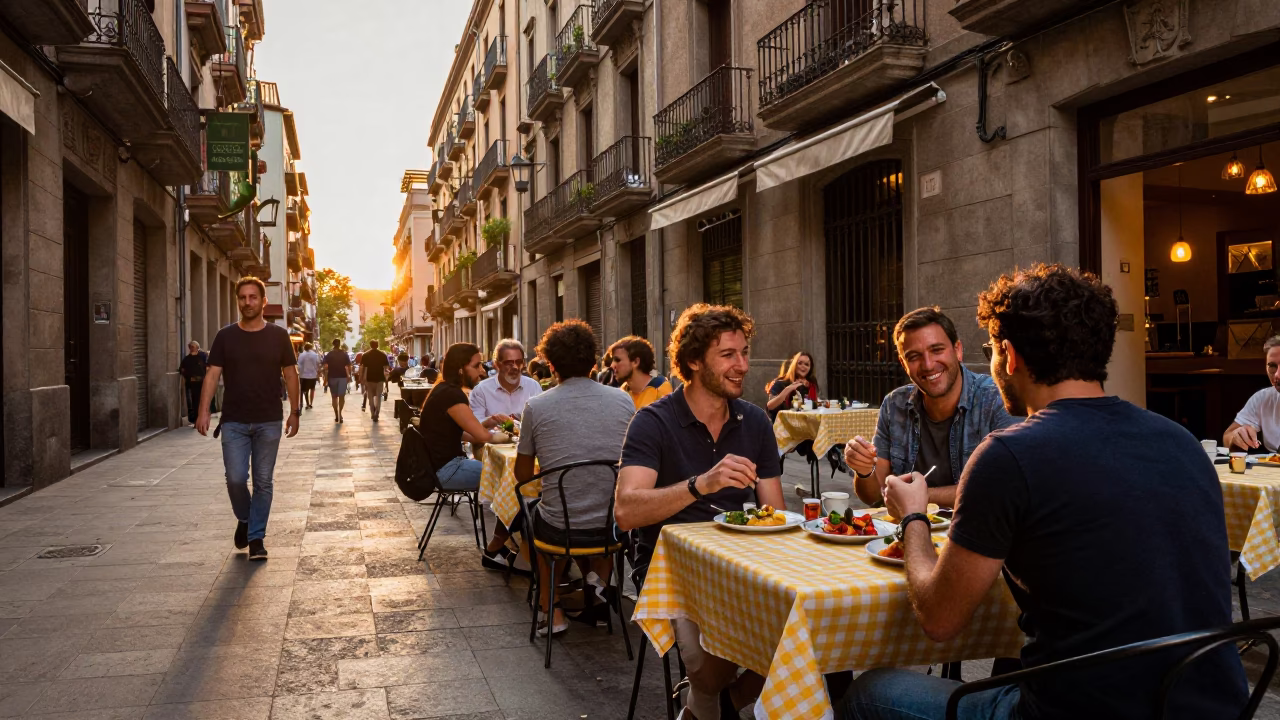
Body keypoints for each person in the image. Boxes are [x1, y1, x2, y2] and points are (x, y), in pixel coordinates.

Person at [839, 264, 1248, 720]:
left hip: (1076, 713)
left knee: (868, 692)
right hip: (1212, 709)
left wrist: (915, 516)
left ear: (1009, 356)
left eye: (990, 350)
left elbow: (939, 618)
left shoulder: (1009, 457)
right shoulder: (1183, 443)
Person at [616, 304, 784, 720]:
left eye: (744, 353)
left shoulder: (756, 422)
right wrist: (700, 484)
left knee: (811, 630)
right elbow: (625, 511)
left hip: (743, 562)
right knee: (713, 658)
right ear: (693, 361)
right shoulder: (653, 422)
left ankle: (716, 704)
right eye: (728, 355)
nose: (742, 365)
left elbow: (776, 513)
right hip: (670, 569)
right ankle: (709, 701)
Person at [515, 320, 635, 636]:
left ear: (551, 365)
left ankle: (551, 611)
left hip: (560, 528)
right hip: (613, 526)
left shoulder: (536, 405)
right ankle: (596, 587)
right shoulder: (623, 400)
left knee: (533, 515)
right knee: (599, 508)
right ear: (594, 362)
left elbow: (522, 476)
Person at [845, 307, 1016, 510]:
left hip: (975, 534)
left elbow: (1004, 487)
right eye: (914, 356)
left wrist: (922, 496)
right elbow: (873, 496)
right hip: (904, 533)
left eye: (937, 350)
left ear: (958, 350)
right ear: (903, 363)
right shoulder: (894, 404)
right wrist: (863, 470)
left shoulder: (995, 399)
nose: (927, 365)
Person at [195, 277, 300, 562]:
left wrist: (294, 411)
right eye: (243, 297)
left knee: (263, 481)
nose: (248, 302)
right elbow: (212, 375)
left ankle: (256, 538)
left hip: (269, 420)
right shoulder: (225, 336)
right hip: (234, 421)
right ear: (238, 301)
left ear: (264, 301)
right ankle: (245, 517)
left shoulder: (278, 336)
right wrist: (204, 410)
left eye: (253, 297)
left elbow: (291, 373)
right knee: (237, 479)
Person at [471, 339, 543, 571]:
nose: (514, 367)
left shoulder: (533, 387)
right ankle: (523, 551)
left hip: (524, 451)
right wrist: (491, 421)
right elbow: (472, 429)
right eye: (508, 362)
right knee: (520, 480)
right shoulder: (482, 390)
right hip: (489, 451)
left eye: (518, 362)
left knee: (528, 480)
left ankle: (504, 546)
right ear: (497, 364)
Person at [417, 343, 510, 492]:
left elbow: (457, 434)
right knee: (510, 474)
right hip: (447, 470)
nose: (482, 371)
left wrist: (487, 423)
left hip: (436, 468)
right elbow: (484, 437)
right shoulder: (453, 395)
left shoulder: (443, 388)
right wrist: (509, 436)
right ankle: (519, 515)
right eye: (476, 366)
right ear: (461, 370)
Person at [1224, 335, 1280, 452]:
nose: (1277, 375)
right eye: (1272, 367)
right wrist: (1236, 436)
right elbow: (1227, 437)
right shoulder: (1263, 398)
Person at [609, 336, 673, 410]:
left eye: (617, 360)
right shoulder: (622, 391)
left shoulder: (661, 391)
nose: (612, 366)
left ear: (636, 362)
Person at [764, 351, 818, 421]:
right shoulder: (780, 383)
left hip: (802, 425)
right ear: (794, 365)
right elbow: (770, 406)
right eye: (800, 363)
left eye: (807, 364)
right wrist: (788, 389)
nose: (803, 367)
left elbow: (810, 406)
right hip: (780, 426)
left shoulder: (809, 385)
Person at [322, 338, 352, 423]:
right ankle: (340, 414)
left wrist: (325, 377)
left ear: (333, 344)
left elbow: (325, 366)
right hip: (342, 377)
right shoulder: (344, 354)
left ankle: (336, 415)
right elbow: (349, 365)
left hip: (332, 377)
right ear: (339, 344)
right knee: (342, 397)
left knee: (334, 397)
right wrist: (349, 375)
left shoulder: (329, 354)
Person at [178, 340, 208, 425]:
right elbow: (182, 368)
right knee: (193, 402)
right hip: (191, 384)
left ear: (197, 348)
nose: (191, 348)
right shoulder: (187, 359)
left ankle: (201, 418)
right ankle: (195, 419)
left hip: (201, 383)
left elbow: (208, 367)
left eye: (193, 347)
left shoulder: (202, 356)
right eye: (190, 347)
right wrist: (185, 373)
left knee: (201, 401)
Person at [361, 340, 390, 421]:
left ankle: (372, 413)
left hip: (369, 379)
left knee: (370, 397)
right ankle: (377, 412)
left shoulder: (365, 355)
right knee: (378, 396)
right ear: (377, 345)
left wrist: (363, 378)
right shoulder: (383, 355)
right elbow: (386, 367)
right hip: (380, 378)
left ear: (370, 345)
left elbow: (364, 368)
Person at [297, 342, 321, 410]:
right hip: (313, 375)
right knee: (312, 389)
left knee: (305, 390)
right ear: (311, 347)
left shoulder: (301, 355)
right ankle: (311, 403)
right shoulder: (315, 355)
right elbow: (318, 363)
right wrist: (318, 372)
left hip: (303, 375)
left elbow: (299, 365)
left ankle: (307, 403)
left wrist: (298, 372)